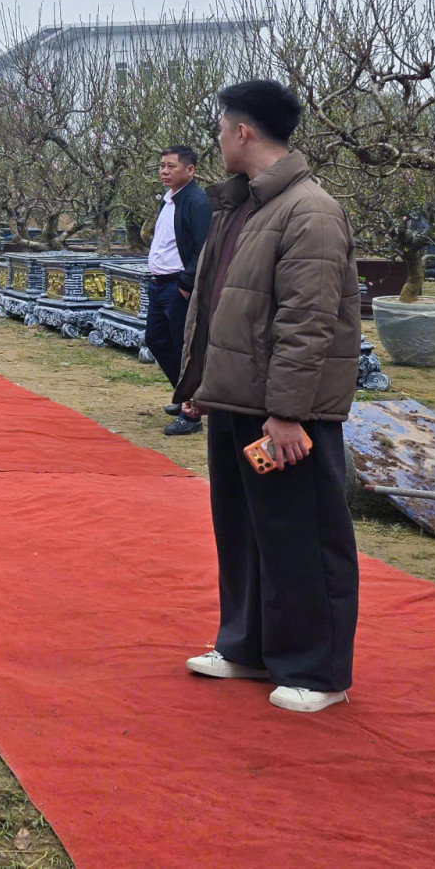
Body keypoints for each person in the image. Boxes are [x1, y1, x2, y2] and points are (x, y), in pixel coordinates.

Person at [174, 80, 361, 715]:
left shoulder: (309, 211)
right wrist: (201, 385)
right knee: (245, 531)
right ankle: (249, 647)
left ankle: (319, 668)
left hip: (283, 410)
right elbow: (218, 306)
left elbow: (307, 323)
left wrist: (287, 411)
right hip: (234, 400)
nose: (218, 138)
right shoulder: (239, 207)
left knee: (302, 534)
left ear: (243, 132)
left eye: (222, 127)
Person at [148, 146, 213, 436]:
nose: (164, 171)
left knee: (183, 348)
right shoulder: (169, 200)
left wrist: (186, 285)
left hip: (178, 286)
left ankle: (192, 413)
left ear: (190, 170)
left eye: (171, 166)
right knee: (156, 339)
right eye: (161, 166)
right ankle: (184, 394)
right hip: (159, 283)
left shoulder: (197, 202)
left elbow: (204, 248)